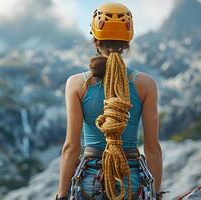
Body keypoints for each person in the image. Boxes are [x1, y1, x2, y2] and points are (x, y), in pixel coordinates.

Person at [56, 3, 162, 200]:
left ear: (95, 40)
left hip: (90, 179)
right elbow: (152, 147)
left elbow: (71, 146)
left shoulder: (77, 84)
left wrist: (62, 195)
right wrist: (155, 195)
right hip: (131, 179)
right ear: (127, 42)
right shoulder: (146, 84)